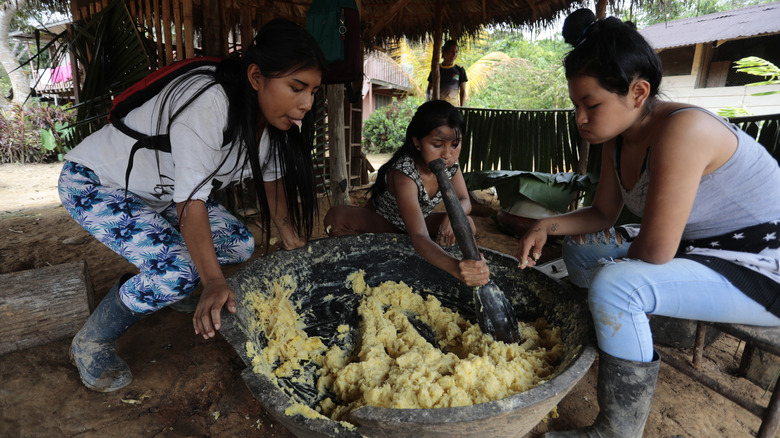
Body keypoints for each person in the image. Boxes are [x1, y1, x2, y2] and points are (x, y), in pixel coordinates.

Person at [518, 9, 780, 438]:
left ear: (638, 92)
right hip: (699, 245)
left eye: (591, 104)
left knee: (614, 285)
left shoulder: (684, 130)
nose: (580, 118)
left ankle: (618, 430)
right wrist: (548, 226)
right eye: (575, 105)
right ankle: (621, 328)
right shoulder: (617, 137)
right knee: (583, 249)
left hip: (760, 264)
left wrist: (614, 276)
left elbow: (656, 250)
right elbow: (603, 214)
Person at [58, 18, 326, 392]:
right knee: (178, 271)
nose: (306, 103)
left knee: (238, 243)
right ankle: (92, 341)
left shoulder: (274, 126)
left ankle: (166, 284)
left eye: (313, 91)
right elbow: (192, 203)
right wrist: (213, 281)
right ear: (255, 76)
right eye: (296, 88)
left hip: (159, 193)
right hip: (96, 183)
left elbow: (274, 187)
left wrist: (295, 245)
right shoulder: (210, 104)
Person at [324, 100, 489, 287]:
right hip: (385, 225)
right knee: (335, 218)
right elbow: (419, 236)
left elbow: (464, 199)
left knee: (467, 224)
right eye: (437, 144)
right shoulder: (405, 174)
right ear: (417, 142)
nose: (447, 154)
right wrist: (455, 268)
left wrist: (454, 215)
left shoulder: (451, 167)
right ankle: (376, 259)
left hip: (419, 224)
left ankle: (420, 253)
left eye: (455, 144)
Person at [427, 40, 468, 107]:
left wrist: (461, 108)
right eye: (452, 51)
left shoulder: (460, 70)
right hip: (437, 108)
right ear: (444, 51)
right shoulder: (436, 70)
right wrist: (428, 104)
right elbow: (430, 88)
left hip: (453, 109)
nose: (454, 54)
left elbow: (463, 91)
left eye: (456, 52)